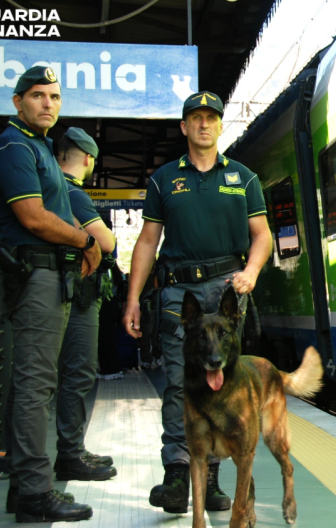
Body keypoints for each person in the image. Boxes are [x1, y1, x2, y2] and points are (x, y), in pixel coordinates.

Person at [122, 91, 272, 515]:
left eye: (212, 118)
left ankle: (211, 478)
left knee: (225, 387)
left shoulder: (243, 178)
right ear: (184, 127)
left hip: (228, 293)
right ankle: (176, 474)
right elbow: (148, 241)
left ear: (221, 126)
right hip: (179, 296)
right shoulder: (164, 179)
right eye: (196, 118)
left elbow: (261, 235)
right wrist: (133, 298)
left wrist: (253, 271)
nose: (204, 124)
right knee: (178, 384)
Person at [0, 65, 100, 523]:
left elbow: (54, 210)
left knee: (37, 382)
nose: (47, 103)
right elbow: (33, 217)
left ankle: (24, 487)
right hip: (34, 275)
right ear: (18, 102)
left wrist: (80, 244)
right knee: (36, 384)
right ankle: (34, 491)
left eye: (54, 96)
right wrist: (86, 242)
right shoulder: (13, 145)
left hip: (49, 276)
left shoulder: (39, 148)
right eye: (37, 95)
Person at [52, 127, 118, 481]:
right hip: (78, 297)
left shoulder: (51, 188)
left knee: (65, 374)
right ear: (89, 159)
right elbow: (106, 242)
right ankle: (70, 453)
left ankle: (71, 449)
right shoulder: (73, 193)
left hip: (66, 291)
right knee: (78, 372)